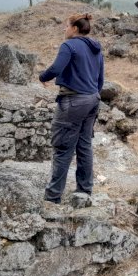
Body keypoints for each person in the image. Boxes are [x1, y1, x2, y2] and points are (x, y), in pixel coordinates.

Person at [40, 13, 104, 203]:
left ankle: (52, 197)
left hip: (72, 101)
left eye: (66, 26)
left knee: (62, 148)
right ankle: (84, 191)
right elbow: (100, 79)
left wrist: (42, 77)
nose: (64, 29)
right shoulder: (96, 49)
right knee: (84, 145)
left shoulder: (68, 46)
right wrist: (91, 96)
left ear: (75, 28)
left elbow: (56, 68)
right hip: (93, 99)